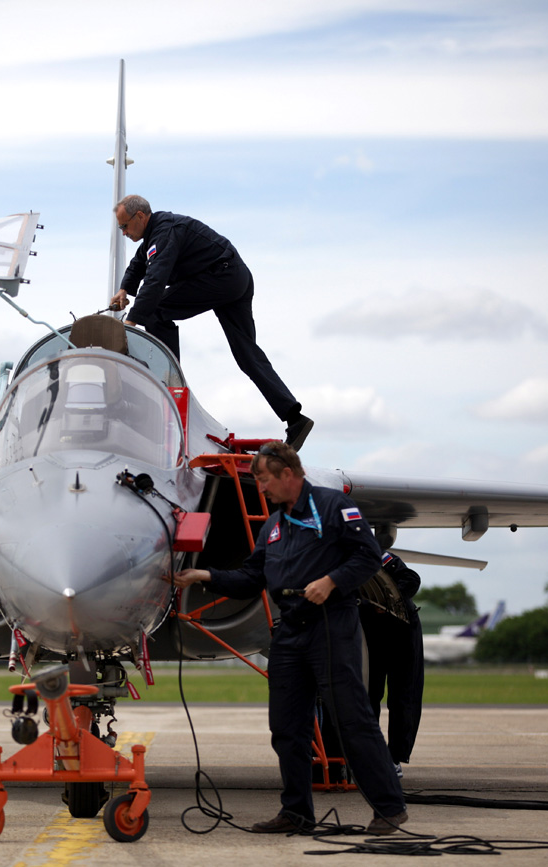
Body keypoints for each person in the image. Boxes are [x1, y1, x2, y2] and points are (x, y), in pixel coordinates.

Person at [170, 440, 407, 835]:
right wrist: (204, 576)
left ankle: (389, 807)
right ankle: (296, 812)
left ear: (287, 474)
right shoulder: (274, 526)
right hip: (290, 629)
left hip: (330, 624)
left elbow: (367, 556)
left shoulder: (333, 506)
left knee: (351, 719)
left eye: (262, 479)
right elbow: (251, 578)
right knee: (286, 727)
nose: (259, 487)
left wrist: (331, 582)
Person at [108, 195, 314, 448]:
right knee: (247, 355)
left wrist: (129, 325)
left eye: (124, 226)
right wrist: (124, 290)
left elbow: (155, 279)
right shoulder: (155, 235)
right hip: (235, 277)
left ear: (140, 216)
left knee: (154, 309)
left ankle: (171, 391)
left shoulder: (165, 232)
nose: (123, 232)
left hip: (222, 277)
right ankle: (294, 417)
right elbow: (139, 264)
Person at [359, 552, 424, 778]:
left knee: (402, 698)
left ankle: (394, 758)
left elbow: (411, 579)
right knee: (367, 696)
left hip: (401, 632)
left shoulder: (379, 557)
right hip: (369, 636)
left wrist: (386, 601)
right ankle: (370, 755)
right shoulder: (333, 560)